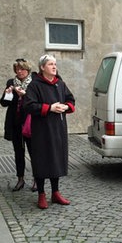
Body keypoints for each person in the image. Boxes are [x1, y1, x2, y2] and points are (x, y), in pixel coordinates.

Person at [23, 54, 75, 209]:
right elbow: (29, 105)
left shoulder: (60, 83)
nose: (54, 67)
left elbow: (71, 100)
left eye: (55, 64)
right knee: (41, 160)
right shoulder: (34, 85)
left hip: (58, 128)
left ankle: (55, 192)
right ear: (42, 67)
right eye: (51, 64)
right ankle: (41, 194)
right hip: (42, 129)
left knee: (56, 159)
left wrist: (66, 107)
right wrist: (49, 108)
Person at [0, 58, 36, 192]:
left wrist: (24, 95)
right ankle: (20, 179)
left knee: (34, 152)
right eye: (17, 69)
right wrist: (7, 94)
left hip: (30, 122)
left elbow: (36, 101)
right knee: (18, 152)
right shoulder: (11, 82)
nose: (19, 71)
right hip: (15, 123)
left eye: (22, 69)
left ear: (28, 70)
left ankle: (36, 179)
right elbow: (4, 103)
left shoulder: (34, 82)